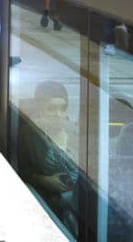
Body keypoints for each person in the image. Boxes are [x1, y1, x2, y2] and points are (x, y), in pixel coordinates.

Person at [17, 80, 81, 237]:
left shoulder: (78, 133)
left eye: (63, 108)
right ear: (40, 110)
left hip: (81, 201)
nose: (58, 115)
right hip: (49, 202)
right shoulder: (29, 134)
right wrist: (44, 180)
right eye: (51, 109)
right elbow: (22, 171)